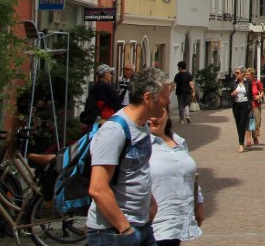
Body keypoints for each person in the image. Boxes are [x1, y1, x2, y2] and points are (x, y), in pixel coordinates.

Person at [87, 66, 172, 246]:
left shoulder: (142, 126)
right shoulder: (114, 131)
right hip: (113, 232)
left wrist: (150, 201)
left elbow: (136, 169)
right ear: (148, 98)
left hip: (141, 225)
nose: (168, 102)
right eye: (165, 96)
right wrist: (125, 228)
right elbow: (97, 188)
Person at [148, 104, 204, 246]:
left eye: (159, 112)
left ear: (167, 114)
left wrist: (199, 202)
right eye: (149, 113)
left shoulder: (178, 141)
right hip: (154, 224)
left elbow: (188, 174)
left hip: (178, 220)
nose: (154, 118)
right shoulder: (140, 144)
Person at [231, 67, 251, 153]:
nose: (236, 74)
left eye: (237, 73)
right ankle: (241, 141)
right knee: (238, 124)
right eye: (235, 73)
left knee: (243, 124)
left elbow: (250, 94)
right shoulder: (233, 83)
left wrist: (251, 105)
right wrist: (233, 93)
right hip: (236, 106)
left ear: (243, 74)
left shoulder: (248, 83)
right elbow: (230, 94)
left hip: (245, 106)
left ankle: (241, 144)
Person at [246, 68, 262, 145]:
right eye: (245, 74)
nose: (246, 76)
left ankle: (254, 135)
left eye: (248, 75)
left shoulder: (257, 83)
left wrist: (259, 96)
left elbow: (262, 92)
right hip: (249, 105)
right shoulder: (245, 83)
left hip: (257, 105)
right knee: (251, 122)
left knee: (258, 122)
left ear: (252, 75)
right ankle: (253, 137)